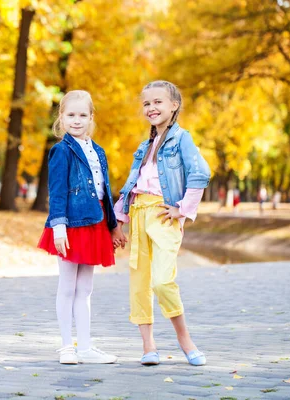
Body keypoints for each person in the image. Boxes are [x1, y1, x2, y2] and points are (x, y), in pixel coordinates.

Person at [114, 80, 210, 366]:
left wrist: (182, 209)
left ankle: (185, 339)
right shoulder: (144, 146)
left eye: (158, 102)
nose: (151, 107)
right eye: (146, 103)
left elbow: (200, 173)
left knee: (162, 280)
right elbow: (132, 185)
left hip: (162, 215)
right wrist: (118, 220)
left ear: (173, 105)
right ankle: (148, 345)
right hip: (138, 214)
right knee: (140, 281)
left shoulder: (182, 139)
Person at [37, 90, 125, 365]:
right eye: (70, 115)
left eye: (82, 115)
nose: (76, 120)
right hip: (71, 224)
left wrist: (112, 227)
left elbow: (104, 193)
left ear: (91, 118)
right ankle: (66, 346)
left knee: (86, 288)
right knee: (67, 286)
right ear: (61, 118)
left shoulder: (98, 150)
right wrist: (59, 227)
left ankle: (85, 347)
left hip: (95, 222)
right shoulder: (61, 151)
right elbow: (58, 191)